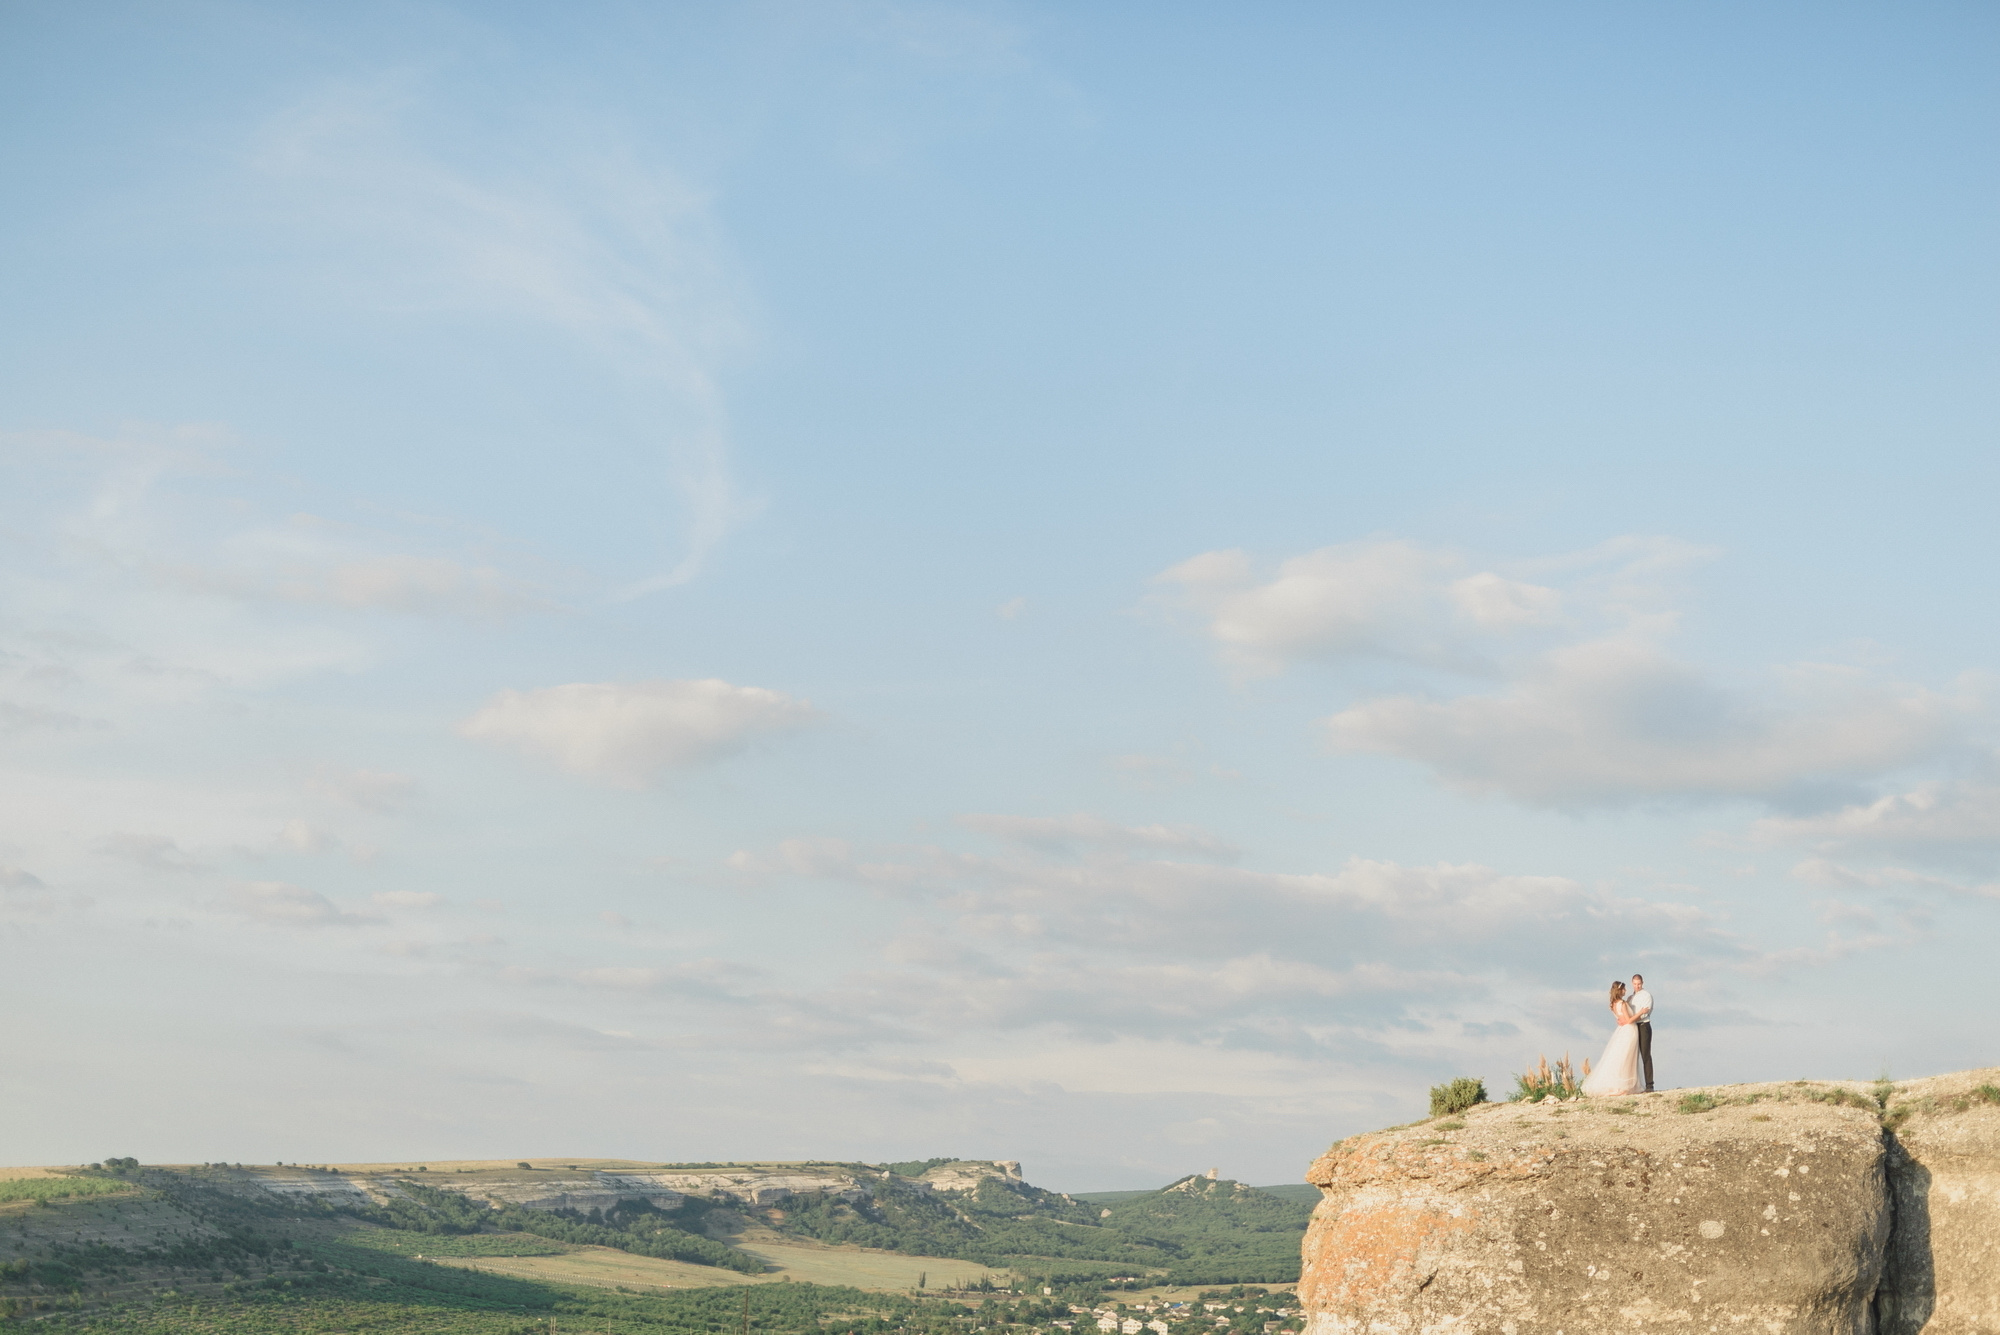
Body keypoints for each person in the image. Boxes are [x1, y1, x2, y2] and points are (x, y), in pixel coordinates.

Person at [1580, 979, 1643, 1096]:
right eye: (1624, 989)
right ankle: (1623, 1086)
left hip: (1621, 1031)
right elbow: (1628, 1020)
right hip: (1629, 1031)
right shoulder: (1622, 1004)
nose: (1625, 990)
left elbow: (1619, 1019)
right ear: (1620, 991)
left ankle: (1622, 1085)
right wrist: (1641, 1013)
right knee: (1627, 1058)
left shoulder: (1613, 1004)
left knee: (1621, 1057)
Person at [1630, 973, 1655, 1092]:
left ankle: (1649, 1085)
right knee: (1633, 1056)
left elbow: (1645, 1013)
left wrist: (1635, 1017)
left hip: (1644, 1025)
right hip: (1633, 1026)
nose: (1637, 986)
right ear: (1632, 984)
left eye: (1639, 984)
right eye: (1635, 984)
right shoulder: (1630, 998)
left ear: (1642, 983)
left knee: (1645, 1055)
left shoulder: (1647, 996)